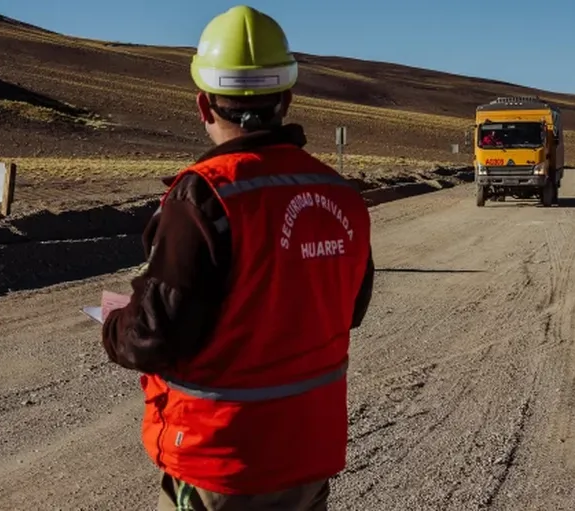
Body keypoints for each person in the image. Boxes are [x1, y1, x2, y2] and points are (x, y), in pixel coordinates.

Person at [100, 5, 375, 511]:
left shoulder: (204, 197)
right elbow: (347, 309)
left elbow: (155, 335)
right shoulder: (342, 196)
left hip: (221, 463)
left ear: (204, 105)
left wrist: (116, 321)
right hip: (307, 456)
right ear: (287, 99)